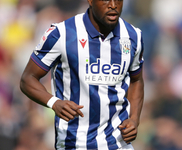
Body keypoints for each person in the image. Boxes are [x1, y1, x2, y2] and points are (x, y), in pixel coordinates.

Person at [20, 0, 144, 149]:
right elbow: (28, 78)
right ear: (90, 1)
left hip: (118, 144)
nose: (113, 5)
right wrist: (54, 102)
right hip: (75, 144)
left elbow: (136, 80)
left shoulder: (133, 36)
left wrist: (134, 119)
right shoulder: (62, 33)